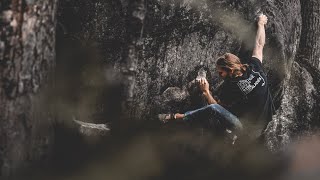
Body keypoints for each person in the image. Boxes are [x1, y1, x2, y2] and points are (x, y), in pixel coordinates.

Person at [159, 14, 274, 140]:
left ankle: (177, 118)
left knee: (212, 109)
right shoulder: (254, 66)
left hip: (249, 130)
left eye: (221, 73)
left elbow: (217, 109)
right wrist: (261, 24)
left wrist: (206, 92)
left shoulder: (231, 87)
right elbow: (259, 44)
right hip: (268, 120)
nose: (219, 75)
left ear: (230, 70)